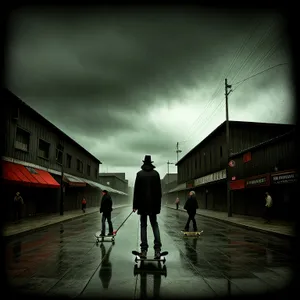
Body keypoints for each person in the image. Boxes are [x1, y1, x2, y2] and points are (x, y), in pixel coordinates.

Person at [133, 155, 162, 259]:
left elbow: (136, 191)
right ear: (151, 163)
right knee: (155, 225)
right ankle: (157, 250)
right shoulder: (156, 174)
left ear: (144, 163)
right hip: (153, 205)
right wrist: (158, 206)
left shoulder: (139, 174)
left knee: (143, 226)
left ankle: (144, 250)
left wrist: (135, 206)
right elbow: (159, 192)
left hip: (142, 205)